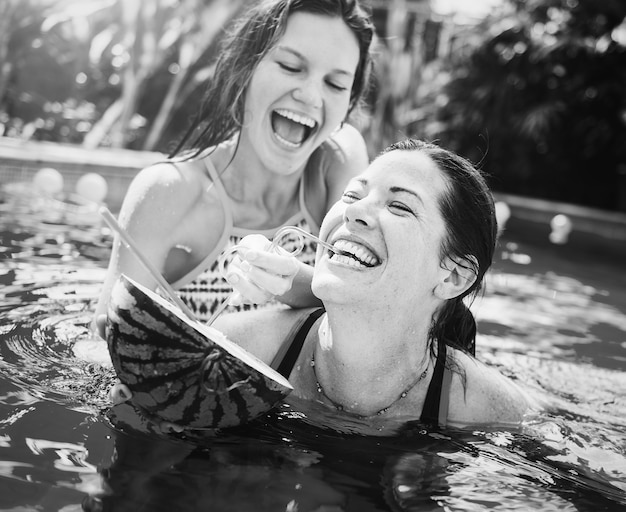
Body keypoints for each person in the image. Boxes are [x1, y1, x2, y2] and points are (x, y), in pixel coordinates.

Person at [210, 138, 538, 427]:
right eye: (352, 194)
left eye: (399, 206)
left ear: (453, 276)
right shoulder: (235, 348)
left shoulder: (489, 409)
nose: (354, 211)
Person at [93, 0, 374, 325]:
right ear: (245, 70)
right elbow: (109, 335)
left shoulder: (338, 159)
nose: (311, 96)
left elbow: (357, 297)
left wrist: (289, 281)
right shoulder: (170, 191)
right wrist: (118, 328)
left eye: (336, 84)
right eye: (290, 66)